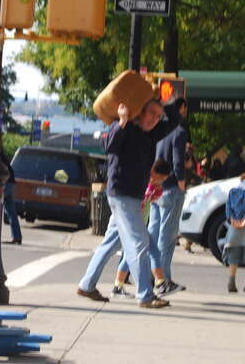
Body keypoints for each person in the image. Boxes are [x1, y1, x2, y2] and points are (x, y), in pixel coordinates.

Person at [77, 97, 180, 309]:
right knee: (139, 242)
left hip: (132, 195)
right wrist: (123, 120)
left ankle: (87, 285)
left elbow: (175, 121)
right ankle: (145, 295)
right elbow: (109, 146)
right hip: (122, 193)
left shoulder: (151, 133)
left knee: (112, 242)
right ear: (139, 111)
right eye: (151, 113)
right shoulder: (122, 126)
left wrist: (168, 102)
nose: (154, 119)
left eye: (158, 116)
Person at [111, 159, 177, 297]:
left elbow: (153, 198)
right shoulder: (144, 181)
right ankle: (160, 282)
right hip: (134, 223)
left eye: (163, 180)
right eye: (160, 179)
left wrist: (157, 189)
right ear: (155, 174)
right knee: (154, 251)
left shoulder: (153, 185)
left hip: (139, 223)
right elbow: (144, 196)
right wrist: (153, 188)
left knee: (130, 255)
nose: (161, 182)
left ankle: (118, 285)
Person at [149, 97, 189, 293]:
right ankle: (164, 280)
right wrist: (182, 184)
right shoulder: (179, 132)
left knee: (153, 233)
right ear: (180, 109)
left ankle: (151, 276)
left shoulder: (159, 130)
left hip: (156, 188)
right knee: (167, 236)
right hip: (171, 187)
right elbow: (178, 162)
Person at [0, 150, 22, 245]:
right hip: (11, 183)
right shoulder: (0, 154)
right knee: (11, 212)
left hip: (6, 183)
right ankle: (17, 237)